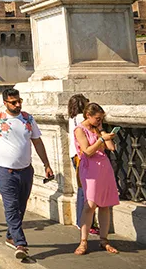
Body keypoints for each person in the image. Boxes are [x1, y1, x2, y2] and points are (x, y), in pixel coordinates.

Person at [0, 88, 54, 260]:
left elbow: (37, 141)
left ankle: (11, 235)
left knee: (21, 206)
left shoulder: (27, 118)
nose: (18, 105)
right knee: (11, 206)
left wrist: (47, 164)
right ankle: (21, 243)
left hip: (25, 170)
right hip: (4, 170)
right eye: (13, 102)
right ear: (5, 103)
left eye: (19, 101)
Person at [73, 103, 119, 255]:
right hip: (89, 169)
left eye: (101, 119)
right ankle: (83, 241)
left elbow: (111, 148)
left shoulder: (98, 128)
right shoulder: (80, 130)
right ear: (88, 116)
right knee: (90, 205)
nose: (100, 121)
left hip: (104, 167)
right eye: (97, 119)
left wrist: (104, 134)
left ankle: (104, 240)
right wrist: (100, 140)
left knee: (105, 205)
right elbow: (87, 151)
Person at [67, 94, 99, 235]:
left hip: (75, 156)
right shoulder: (83, 120)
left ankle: (81, 221)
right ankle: (84, 222)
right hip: (84, 156)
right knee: (85, 190)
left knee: (82, 189)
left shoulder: (72, 119)